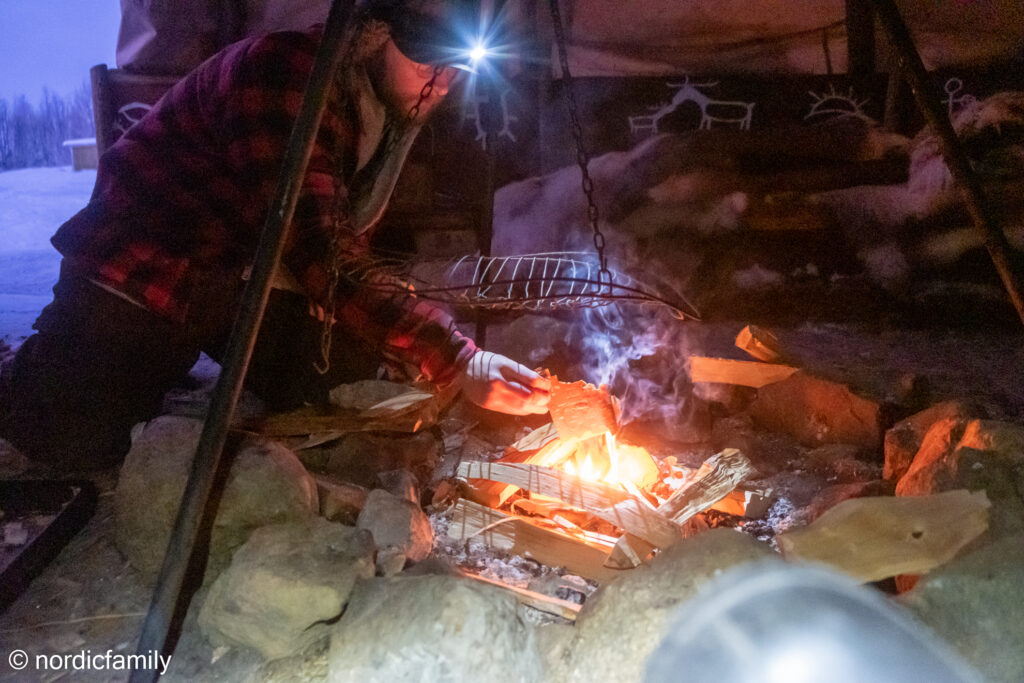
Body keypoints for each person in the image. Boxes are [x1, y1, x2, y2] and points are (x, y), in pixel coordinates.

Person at [0, 0, 550, 471]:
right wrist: (457, 355)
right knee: (74, 438)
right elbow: (320, 250)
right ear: (376, 35)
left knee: (338, 381)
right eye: (428, 62)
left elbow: (331, 240)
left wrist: (415, 334)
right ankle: (26, 371)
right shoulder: (288, 73)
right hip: (147, 270)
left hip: (234, 276)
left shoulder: (371, 104)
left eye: (454, 72)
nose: (439, 86)